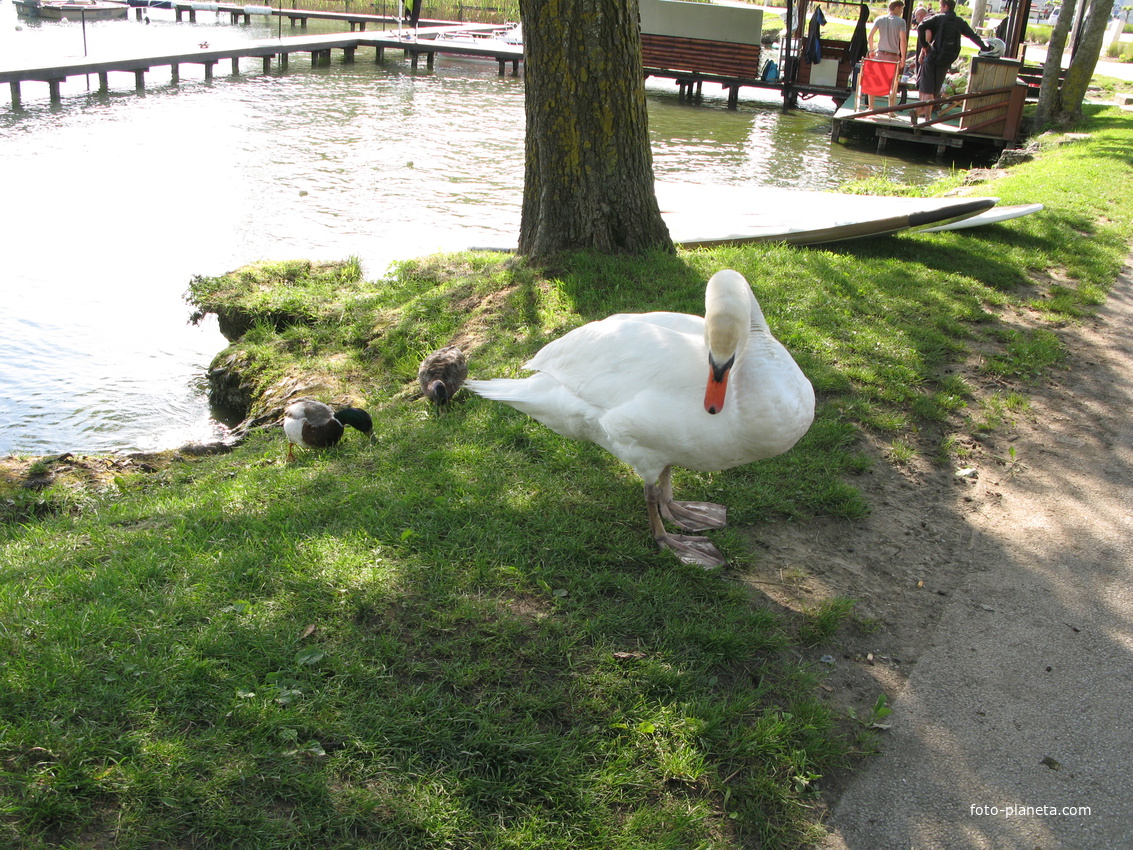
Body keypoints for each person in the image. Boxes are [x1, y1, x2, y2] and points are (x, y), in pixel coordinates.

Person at [916, 0, 986, 120]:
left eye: (941, 6)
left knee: (927, 88)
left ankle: (924, 116)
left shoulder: (937, 18)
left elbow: (921, 26)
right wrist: (985, 47)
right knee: (934, 91)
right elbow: (972, 35)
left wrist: (925, 45)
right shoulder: (959, 22)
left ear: (945, 6)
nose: (940, 8)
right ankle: (925, 117)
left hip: (932, 56)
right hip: (946, 59)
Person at [867, 0, 909, 110]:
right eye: (901, 9)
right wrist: (903, 57)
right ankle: (890, 110)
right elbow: (903, 40)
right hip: (893, 56)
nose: (901, 12)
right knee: (892, 84)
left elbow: (870, 36)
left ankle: (871, 107)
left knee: (874, 81)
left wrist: (871, 50)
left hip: (879, 55)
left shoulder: (879, 19)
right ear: (896, 8)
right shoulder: (901, 22)